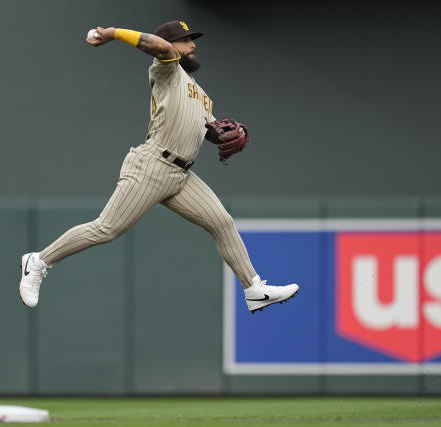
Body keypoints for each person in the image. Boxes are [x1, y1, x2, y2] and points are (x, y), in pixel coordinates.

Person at [18, 20, 298, 313]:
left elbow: (205, 129)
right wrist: (114, 34)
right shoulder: (166, 69)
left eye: (192, 40)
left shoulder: (202, 94)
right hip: (152, 164)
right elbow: (160, 47)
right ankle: (38, 261)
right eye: (186, 40)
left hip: (180, 174)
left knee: (222, 223)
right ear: (171, 44)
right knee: (106, 229)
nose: (193, 45)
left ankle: (253, 289)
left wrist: (221, 134)